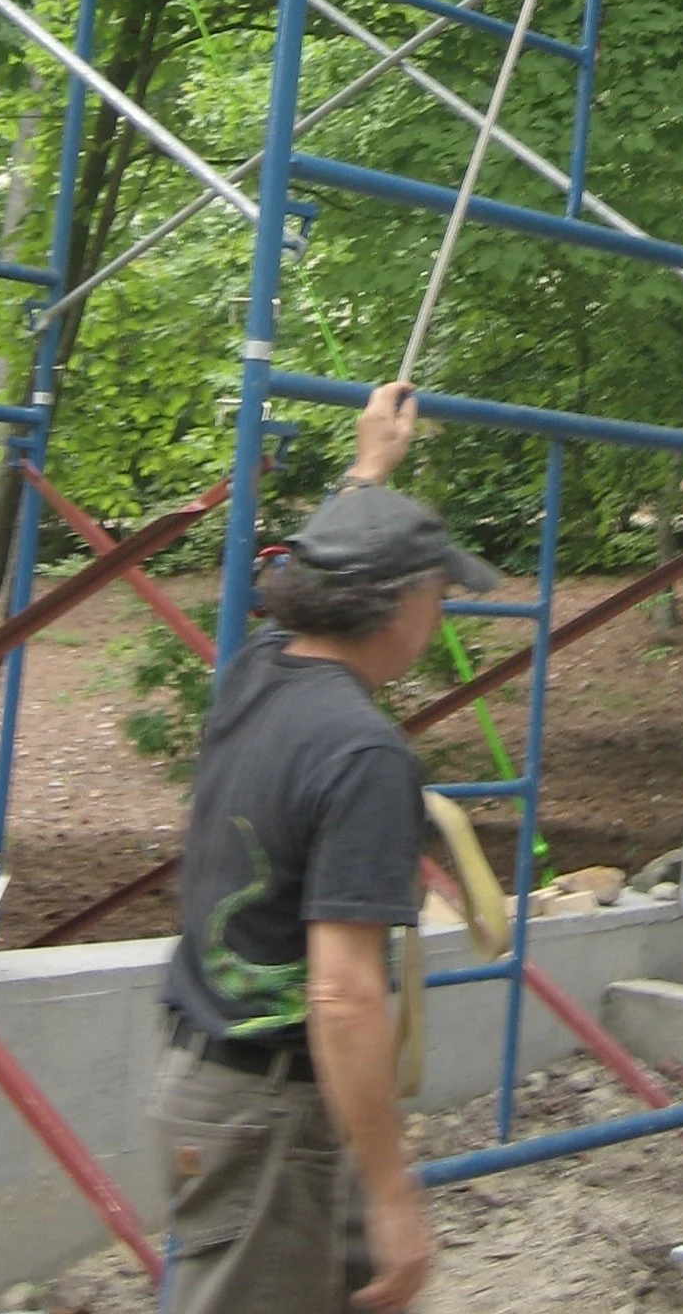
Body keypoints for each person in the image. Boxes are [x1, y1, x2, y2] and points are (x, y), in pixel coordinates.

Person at [152, 378, 501, 1313]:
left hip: (230, 1086)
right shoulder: (366, 755)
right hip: (268, 1114)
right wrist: (393, 1192)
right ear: (394, 607)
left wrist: (369, 469)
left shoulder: (258, 671)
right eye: (438, 591)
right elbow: (343, 993)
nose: (444, 611)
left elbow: (327, 567)